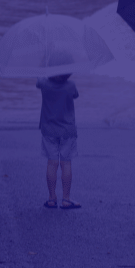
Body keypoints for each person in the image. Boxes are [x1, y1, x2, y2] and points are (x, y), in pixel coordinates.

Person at [37, 73, 81, 209]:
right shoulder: (71, 85)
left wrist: (44, 67)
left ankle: (51, 199)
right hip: (67, 130)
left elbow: (39, 79)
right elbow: (76, 95)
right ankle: (66, 199)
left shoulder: (44, 84)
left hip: (49, 130)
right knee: (66, 163)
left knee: (52, 163)